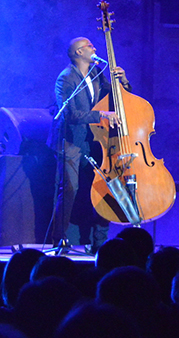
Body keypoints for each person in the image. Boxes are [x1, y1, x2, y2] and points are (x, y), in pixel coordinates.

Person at [48, 36, 129, 254]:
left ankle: (99, 244)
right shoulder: (65, 79)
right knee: (70, 190)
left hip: (94, 140)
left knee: (104, 188)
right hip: (71, 141)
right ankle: (60, 240)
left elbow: (116, 97)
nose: (94, 48)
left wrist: (122, 81)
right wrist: (101, 114)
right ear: (78, 53)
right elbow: (70, 114)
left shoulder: (96, 74)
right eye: (89, 46)